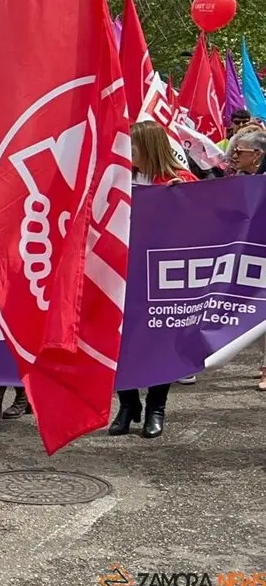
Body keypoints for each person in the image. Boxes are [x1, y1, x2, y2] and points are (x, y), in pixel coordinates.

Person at [109, 121, 198, 439]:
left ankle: (155, 408)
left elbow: (202, 228)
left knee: (159, 342)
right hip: (123, 275)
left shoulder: (180, 179)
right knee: (119, 343)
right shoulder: (119, 179)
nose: (126, 150)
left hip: (161, 279)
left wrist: (182, 199)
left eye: (132, 145)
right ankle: (127, 404)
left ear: (148, 146)